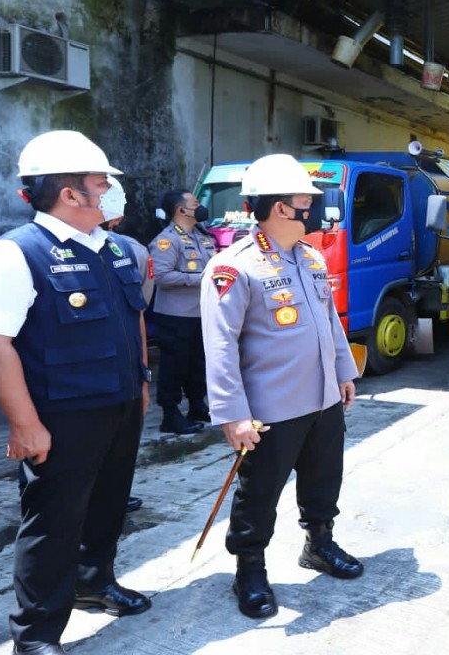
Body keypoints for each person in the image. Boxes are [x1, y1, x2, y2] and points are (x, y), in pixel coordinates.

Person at [0, 131, 152, 655]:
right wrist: (24, 423)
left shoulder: (112, 248)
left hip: (118, 402)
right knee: (53, 522)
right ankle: (36, 634)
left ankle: (95, 582)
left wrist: (141, 381)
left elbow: (133, 317)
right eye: (101, 183)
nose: (110, 191)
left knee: (109, 502)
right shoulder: (14, 255)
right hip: (61, 415)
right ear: (71, 194)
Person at [201, 153, 362, 620]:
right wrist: (232, 414)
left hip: (322, 398)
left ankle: (319, 544)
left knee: (323, 477)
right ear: (279, 209)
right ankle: (249, 570)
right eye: (305, 200)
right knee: (259, 494)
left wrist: (344, 372)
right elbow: (220, 346)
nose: (314, 207)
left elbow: (328, 321)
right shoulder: (234, 268)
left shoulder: (310, 257)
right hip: (270, 409)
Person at [97, 177, 150, 514]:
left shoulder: (123, 249)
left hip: (125, 378)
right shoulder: (27, 251)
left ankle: (113, 494)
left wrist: (143, 375)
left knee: (118, 452)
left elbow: (137, 312)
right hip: (75, 385)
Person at [148, 189, 216, 434]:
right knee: (175, 365)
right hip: (176, 315)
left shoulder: (202, 236)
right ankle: (171, 414)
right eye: (196, 203)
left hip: (201, 313)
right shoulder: (167, 240)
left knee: (199, 363)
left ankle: (198, 405)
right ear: (182, 210)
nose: (201, 207)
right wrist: (202, 278)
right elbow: (162, 276)